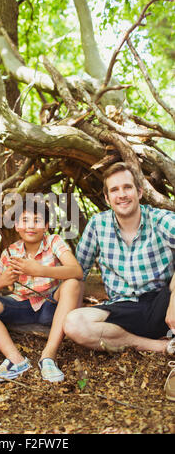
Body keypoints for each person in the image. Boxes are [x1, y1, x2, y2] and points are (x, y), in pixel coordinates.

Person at [62, 162, 175, 400]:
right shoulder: (98, 225)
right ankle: (159, 347)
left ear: (140, 191)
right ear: (106, 197)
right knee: (73, 323)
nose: (122, 194)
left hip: (162, 301)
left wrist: (174, 299)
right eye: (114, 190)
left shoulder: (161, 220)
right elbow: (77, 272)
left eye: (127, 187)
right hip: (123, 308)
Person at [0, 197, 83, 383]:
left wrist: (39, 270)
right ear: (17, 226)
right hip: (22, 305)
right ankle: (16, 361)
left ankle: (48, 357)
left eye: (37, 221)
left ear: (45, 226)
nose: (30, 226)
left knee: (73, 284)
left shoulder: (53, 241)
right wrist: (2, 281)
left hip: (50, 305)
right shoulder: (11, 252)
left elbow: (77, 271)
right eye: (25, 220)